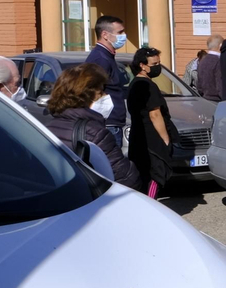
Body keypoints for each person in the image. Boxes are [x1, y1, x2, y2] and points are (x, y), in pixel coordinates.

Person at [44, 62, 142, 189]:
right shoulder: (95, 132)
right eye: (101, 92)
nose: (106, 96)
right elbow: (127, 178)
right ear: (84, 96)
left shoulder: (48, 127)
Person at [126, 46, 175, 198]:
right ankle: (151, 203)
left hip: (138, 136)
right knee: (156, 175)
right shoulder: (148, 86)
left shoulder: (134, 84)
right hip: (152, 139)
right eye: (154, 64)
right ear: (142, 65)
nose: (158, 67)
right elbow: (155, 114)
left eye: (159, 63)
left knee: (142, 175)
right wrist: (165, 138)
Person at [85, 15, 130, 142]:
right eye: (120, 32)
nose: (124, 36)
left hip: (111, 123)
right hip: (107, 124)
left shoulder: (107, 56)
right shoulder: (100, 58)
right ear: (105, 34)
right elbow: (91, 90)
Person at [196, 35, 224, 101]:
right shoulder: (219, 61)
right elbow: (220, 85)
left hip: (205, 99)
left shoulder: (202, 61)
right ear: (220, 46)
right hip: (217, 100)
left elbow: (199, 85)